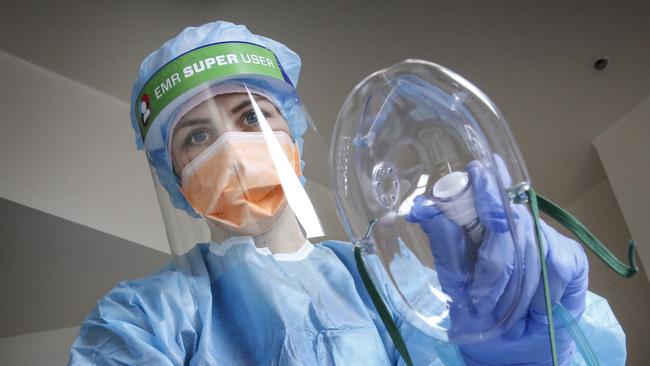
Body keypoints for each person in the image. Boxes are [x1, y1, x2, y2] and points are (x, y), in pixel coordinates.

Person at [68, 20, 626, 365]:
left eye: (252, 116)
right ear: (174, 176)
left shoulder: (393, 286)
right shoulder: (145, 319)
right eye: (197, 136)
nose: (234, 150)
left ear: (292, 132)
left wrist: (517, 348)